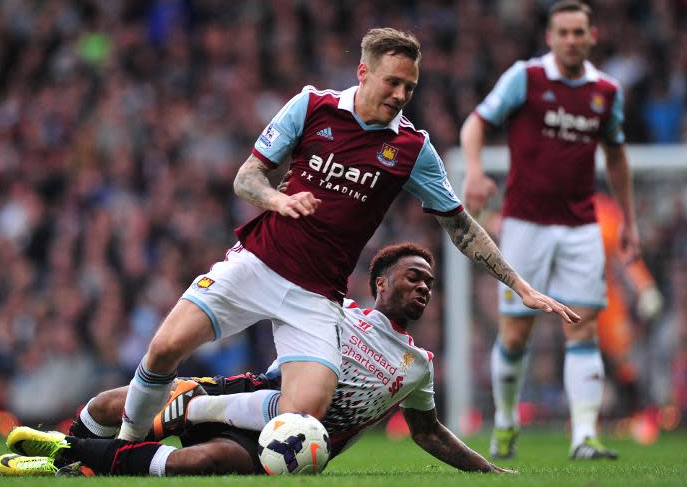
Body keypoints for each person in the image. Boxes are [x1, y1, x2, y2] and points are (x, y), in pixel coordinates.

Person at [116, 27, 579, 445]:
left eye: (410, 87)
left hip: (317, 296)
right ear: (363, 72)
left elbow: (460, 225)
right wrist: (278, 201)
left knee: (305, 414)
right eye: (392, 82)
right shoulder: (311, 106)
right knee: (163, 348)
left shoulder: (412, 149)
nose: (400, 95)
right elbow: (247, 177)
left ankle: (194, 406)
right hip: (258, 262)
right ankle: (125, 442)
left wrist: (520, 286)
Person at [0, 244, 514, 476]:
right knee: (117, 403)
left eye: (429, 281)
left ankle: (68, 457)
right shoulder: (333, 310)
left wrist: (487, 470)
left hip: (293, 447)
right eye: (413, 277)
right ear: (381, 283)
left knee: (203, 462)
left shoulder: (418, 365)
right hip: (252, 394)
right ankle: (68, 448)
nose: (424, 286)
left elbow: (428, 432)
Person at [459, 0, 638, 460]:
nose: (572, 40)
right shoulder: (526, 78)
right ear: (550, 37)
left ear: (592, 36)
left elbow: (617, 157)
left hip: (581, 226)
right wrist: (475, 171)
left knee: (583, 330)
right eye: (564, 32)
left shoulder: (606, 92)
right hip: (524, 225)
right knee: (515, 334)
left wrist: (629, 220)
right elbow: (475, 124)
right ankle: (504, 422)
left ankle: (584, 437)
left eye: (580, 32)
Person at [595, 192, 662, 416]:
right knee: (578, 351)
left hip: (603, 295)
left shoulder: (604, 211)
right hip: (563, 297)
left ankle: (633, 415)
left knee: (622, 358)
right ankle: (584, 420)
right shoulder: (550, 204)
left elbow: (625, 253)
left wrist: (645, 287)